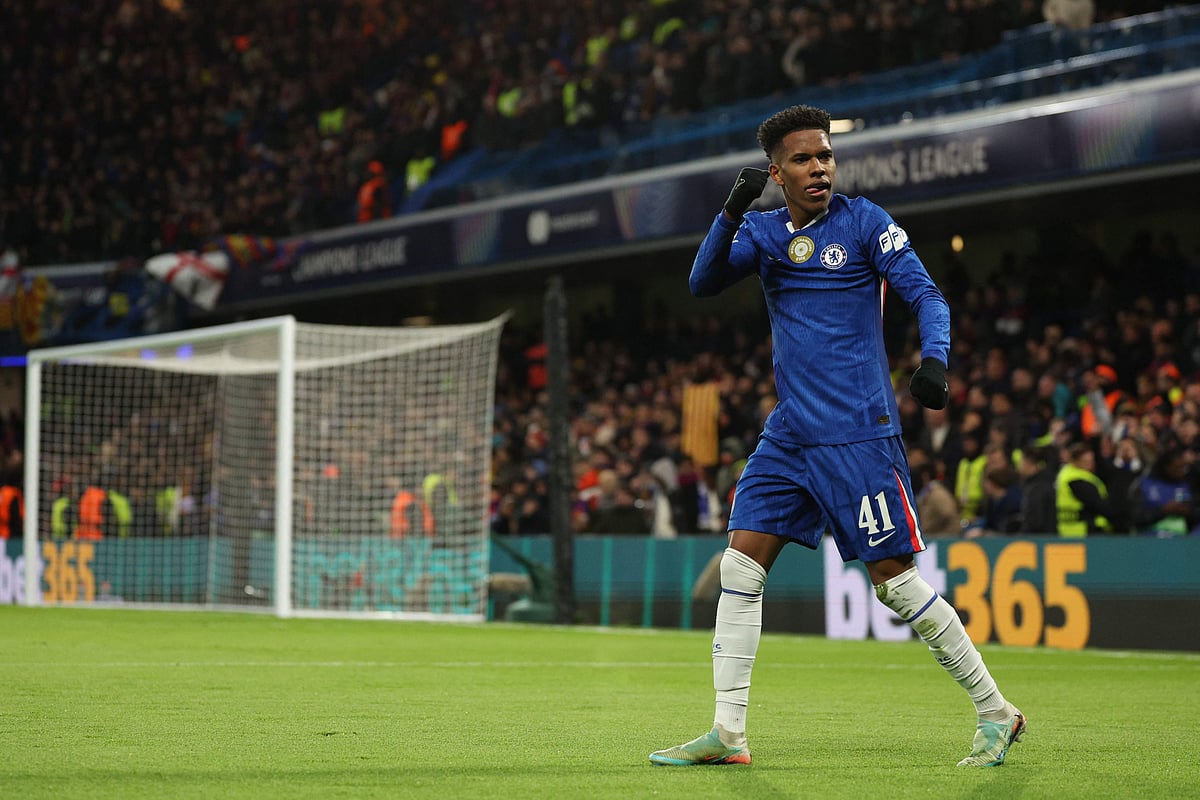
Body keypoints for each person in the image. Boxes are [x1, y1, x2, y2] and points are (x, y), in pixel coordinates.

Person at [648, 105, 1024, 769]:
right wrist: (729, 212)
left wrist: (933, 358)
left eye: (825, 155)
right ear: (777, 173)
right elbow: (702, 282)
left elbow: (927, 296)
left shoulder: (864, 222)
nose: (819, 167)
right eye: (803, 159)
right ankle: (728, 734)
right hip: (791, 433)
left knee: (897, 584)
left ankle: (996, 712)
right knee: (741, 565)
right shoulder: (762, 233)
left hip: (857, 434)